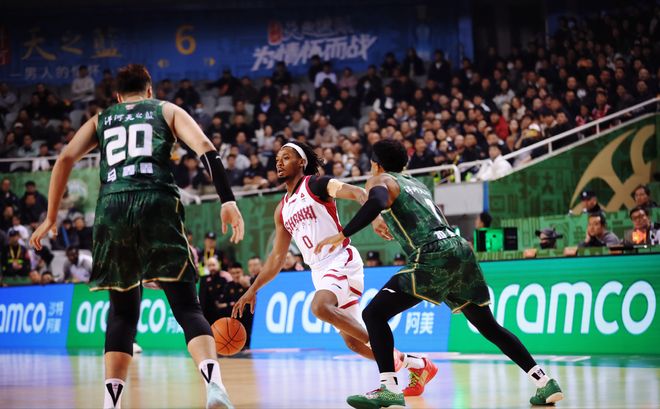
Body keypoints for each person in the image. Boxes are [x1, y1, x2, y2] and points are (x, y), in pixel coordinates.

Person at [30, 64, 244, 409]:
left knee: (123, 314)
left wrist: (51, 216)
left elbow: (65, 158)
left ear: (117, 96)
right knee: (187, 306)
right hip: (157, 202)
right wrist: (227, 200)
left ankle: (111, 403)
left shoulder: (101, 119)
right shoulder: (166, 110)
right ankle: (215, 387)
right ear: (149, 90)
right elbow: (206, 148)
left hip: (112, 208)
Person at [314, 139, 563, 407]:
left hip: (432, 253)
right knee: (489, 326)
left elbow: (376, 200)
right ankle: (545, 382)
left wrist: (342, 234)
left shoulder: (380, 179)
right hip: (460, 249)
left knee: (373, 314)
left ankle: (389, 388)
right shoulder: (416, 184)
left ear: (375, 164)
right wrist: (379, 219)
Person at [232, 141, 427, 388]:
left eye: (287, 157)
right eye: (278, 158)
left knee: (320, 307)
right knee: (353, 343)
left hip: (340, 259)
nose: (279, 162)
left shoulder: (317, 184)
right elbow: (277, 258)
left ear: (301, 162)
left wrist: (375, 217)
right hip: (318, 271)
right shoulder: (281, 209)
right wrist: (253, 289)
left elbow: (357, 193)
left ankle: (390, 366)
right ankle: (416, 364)